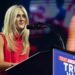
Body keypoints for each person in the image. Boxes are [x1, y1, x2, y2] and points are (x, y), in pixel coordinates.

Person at [0, 5, 30, 75]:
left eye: (24, 16)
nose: (22, 19)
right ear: (10, 19)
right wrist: (17, 66)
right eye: (18, 16)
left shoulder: (25, 43)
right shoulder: (1, 38)